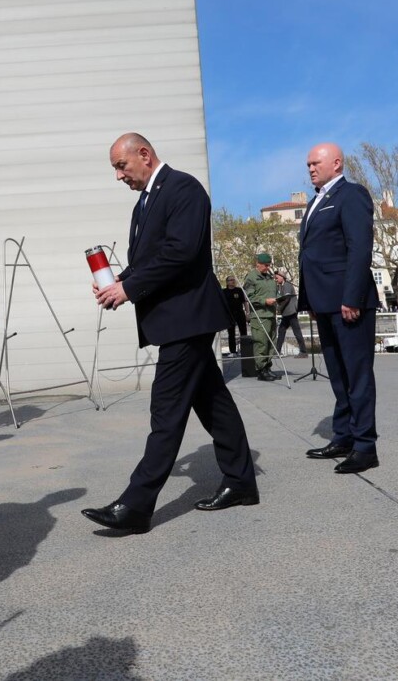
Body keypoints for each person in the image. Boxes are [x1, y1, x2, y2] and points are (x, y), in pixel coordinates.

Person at [82, 133, 258, 534]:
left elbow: (181, 252)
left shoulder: (183, 189)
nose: (118, 176)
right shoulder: (144, 203)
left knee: (166, 410)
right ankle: (241, 482)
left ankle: (136, 505)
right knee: (214, 404)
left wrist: (129, 288)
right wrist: (120, 281)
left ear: (144, 154)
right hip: (175, 321)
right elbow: (150, 259)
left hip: (187, 319)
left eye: (121, 166)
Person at [298, 142, 381, 474]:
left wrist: (352, 297)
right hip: (324, 303)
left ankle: (365, 446)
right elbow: (310, 255)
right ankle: (343, 436)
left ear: (336, 163)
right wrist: (310, 300)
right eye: (308, 165)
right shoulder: (315, 202)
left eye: (315, 163)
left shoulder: (351, 195)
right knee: (338, 374)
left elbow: (359, 247)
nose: (310, 169)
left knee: (357, 374)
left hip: (348, 302)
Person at [243, 253, 279, 381]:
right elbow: (249, 297)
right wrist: (264, 301)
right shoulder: (251, 278)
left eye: (269, 265)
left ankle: (268, 367)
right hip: (259, 316)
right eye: (265, 265)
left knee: (271, 343)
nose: (268, 268)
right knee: (261, 343)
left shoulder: (269, 277)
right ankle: (261, 370)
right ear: (257, 264)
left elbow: (273, 292)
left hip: (271, 315)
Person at [273, 269, 308, 358]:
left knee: (296, 332)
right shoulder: (281, 286)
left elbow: (286, 298)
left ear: (282, 277)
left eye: (277, 278)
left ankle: (303, 351)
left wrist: (278, 309)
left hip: (291, 312)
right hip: (286, 313)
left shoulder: (287, 285)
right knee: (281, 331)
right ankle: (277, 351)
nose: (276, 280)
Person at [221, 275, 248, 357]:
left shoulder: (239, 290)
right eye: (231, 280)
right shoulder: (224, 291)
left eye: (234, 280)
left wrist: (247, 313)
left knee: (243, 332)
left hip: (240, 313)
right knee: (231, 333)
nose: (233, 281)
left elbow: (245, 302)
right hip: (230, 315)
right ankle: (232, 351)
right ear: (227, 282)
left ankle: (245, 351)